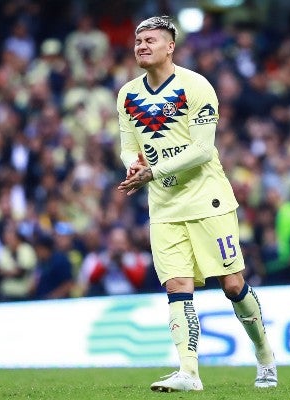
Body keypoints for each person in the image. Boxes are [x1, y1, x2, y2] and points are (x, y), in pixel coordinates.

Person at [116, 16, 277, 392]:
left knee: (232, 284)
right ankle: (189, 372)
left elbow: (203, 150)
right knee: (177, 286)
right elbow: (128, 145)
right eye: (138, 40)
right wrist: (133, 166)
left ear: (170, 46)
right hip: (165, 207)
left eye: (150, 40)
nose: (141, 45)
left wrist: (152, 171)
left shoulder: (196, 86)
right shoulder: (127, 94)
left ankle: (265, 353)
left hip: (209, 201)